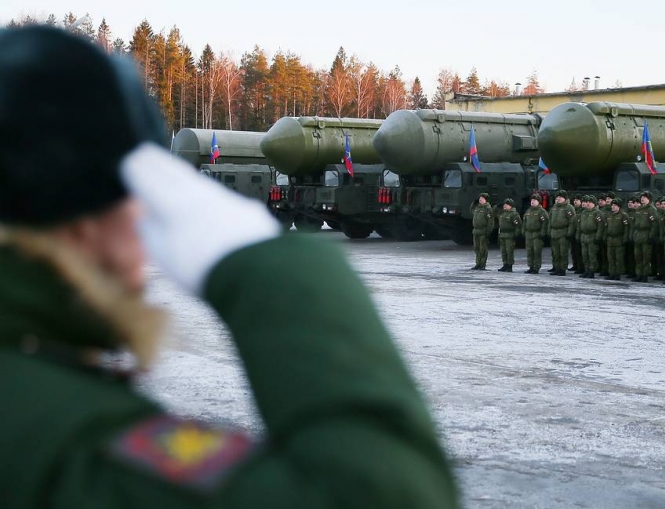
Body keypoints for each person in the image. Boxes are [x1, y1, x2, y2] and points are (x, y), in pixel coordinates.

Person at [0, 26, 458, 509]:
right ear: (83, 224)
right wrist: (269, 263)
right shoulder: (73, 444)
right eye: (140, 201)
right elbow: (384, 495)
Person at [548, 190, 576, 276]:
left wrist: (569, 233)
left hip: (563, 232)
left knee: (563, 252)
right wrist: (549, 231)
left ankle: (562, 269)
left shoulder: (568, 207)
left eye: (560, 197)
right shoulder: (554, 207)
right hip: (554, 232)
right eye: (557, 197)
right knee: (555, 253)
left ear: (565, 198)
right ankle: (557, 268)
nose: (558, 199)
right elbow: (550, 220)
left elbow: (572, 221)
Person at [633, 191, 658, 283]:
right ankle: (639, 274)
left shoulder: (651, 209)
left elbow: (654, 225)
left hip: (646, 235)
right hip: (638, 236)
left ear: (649, 199)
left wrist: (651, 236)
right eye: (642, 197)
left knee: (646, 258)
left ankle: (645, 275)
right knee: (638, 257)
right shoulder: (639, 209)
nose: (642, 199)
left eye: (645, 197)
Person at [578, 195, 604, 279]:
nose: (588, 204)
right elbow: (579, 225)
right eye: (587, 202)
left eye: (590, 202)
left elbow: (600, 226)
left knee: (591, 255)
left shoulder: (597, 213)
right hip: (584, 236)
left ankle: (592, 271)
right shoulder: (583, 212)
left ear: (594, 204)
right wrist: (578, 236)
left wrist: (598, 237)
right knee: (585, 255)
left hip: (592, 236)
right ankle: (587, 270)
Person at [522, 195, 549, 274]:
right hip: (529, 234)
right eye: (532, 200)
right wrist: (523, 231)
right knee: (530, 251)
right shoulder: (528, 211)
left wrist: (543, 233)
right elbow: (524, 222)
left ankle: (536, 267)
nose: (532, 201)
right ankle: (531, 266)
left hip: (537, 234)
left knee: (536, 251)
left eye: (534, 200)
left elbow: (545, 223)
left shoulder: (542, 212)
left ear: (538, 201)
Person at [604, 198, 629, 280]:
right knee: (610, 257)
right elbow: (606, 227)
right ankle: (611, 273)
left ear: (619, 207)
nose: (613, 207)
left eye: (615, 205)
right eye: (612, 205)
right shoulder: (609, 215)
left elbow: (626, 228)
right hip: (610, 239)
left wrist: (625, 239)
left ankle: (618, 273)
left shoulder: (623, 215)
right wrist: (605, 237)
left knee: (619, 257)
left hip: (619, 238)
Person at [497, 198, 522, 272]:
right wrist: (497, 206)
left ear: (511, 206)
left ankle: (509, 265)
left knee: (509, 251)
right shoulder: (502, 213)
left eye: (507, 204)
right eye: (504, 204)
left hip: (510, 235)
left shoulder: (514, 214)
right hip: (502, 235)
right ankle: (505, 264)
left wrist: (516, 235)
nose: (505, 206)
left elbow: (518, 226)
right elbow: (494, 212)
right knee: (503, 251)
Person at [471, 192, 493, 270]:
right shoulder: (478, 207)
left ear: (486, 200)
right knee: (476, 248)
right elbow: (471, 210)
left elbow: (490, 222)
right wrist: (474, 202)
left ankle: (482, 264)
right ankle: (478, 263)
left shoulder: (488, 209)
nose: (480, 199)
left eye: (482, 198)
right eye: (480, 198)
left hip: (483, 231)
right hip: (476, 231)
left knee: (483, 248)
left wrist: (488, 232)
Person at [569, 195, 584, 273]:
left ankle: (580, 267)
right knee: (573, 251)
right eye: (574, 200)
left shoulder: (582, 211)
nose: (575, 201)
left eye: (577, 200)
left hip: (580, 234)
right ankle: (575, 265)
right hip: (573, 233)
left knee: (579, 252)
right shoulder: (573, 210)